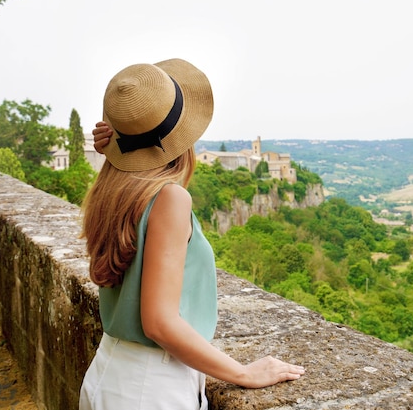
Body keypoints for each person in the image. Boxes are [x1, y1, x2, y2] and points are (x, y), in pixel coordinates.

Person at [79, 58, 304, 410]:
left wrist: (114, 155)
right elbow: (159, 323)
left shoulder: (112, 192)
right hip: (153, 387)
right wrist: (243, 373)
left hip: (109, 373)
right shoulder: (170, 198)